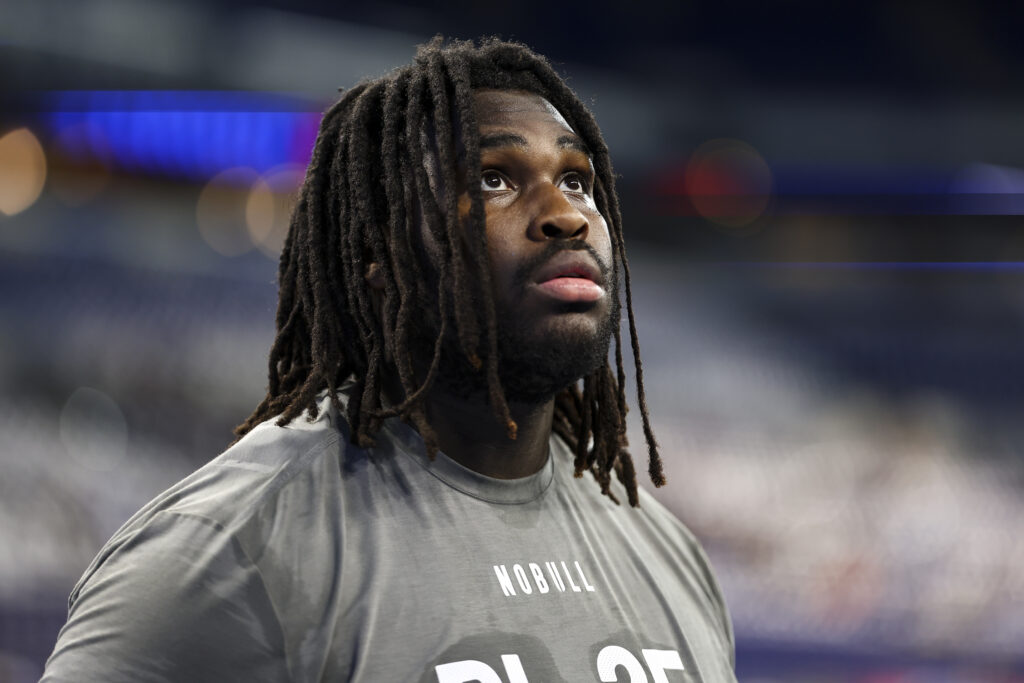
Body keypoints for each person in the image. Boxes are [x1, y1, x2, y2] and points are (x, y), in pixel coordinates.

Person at [42, 37, 737, 682]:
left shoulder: (669, 557)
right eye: (494, 179)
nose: (567, 213)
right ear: (383, 251)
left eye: (578, 180)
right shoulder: (224, 557)